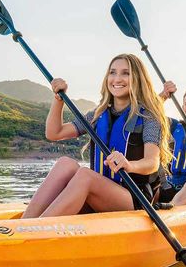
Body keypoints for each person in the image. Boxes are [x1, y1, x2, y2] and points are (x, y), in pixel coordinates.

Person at [21, 53, 172, 219]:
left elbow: (152, 162)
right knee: (66, 164)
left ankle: (36, 231)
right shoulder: (98, 114)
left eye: (125, 73)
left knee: (86, 175)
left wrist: (129, 165)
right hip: (98, 194)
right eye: (112, 72)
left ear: (138, 78)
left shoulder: (148, 116)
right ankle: (23, 226)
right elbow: (54, 133)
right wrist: (58, 100)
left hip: (134, 197)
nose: (117, 78)